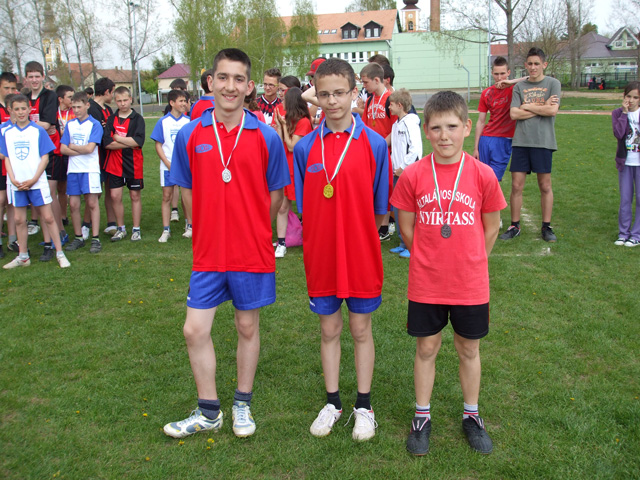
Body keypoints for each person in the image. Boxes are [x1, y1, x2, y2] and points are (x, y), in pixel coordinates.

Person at [163, 48, 289, 440]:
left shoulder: (266, 136)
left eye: (238, 79)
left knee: (246, 325)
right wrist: (204, 227)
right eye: (223, 77)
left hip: (250, 250)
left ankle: (242, 403)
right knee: (194, 330)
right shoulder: (191, 133)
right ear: (210, 82)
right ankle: (208, 412)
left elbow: (275, 195)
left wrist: (253, 228)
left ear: (249, 86)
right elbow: (185, 188)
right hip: (208, 252)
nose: (230, 86)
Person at [391, 91, 506, 456]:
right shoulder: (413, 175)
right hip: (427, 280)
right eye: (437, 128)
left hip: (470, 282)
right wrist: (428, 257)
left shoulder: (482, 174)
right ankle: (421, 416)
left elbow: (492, 226)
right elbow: (405, 225)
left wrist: (473, 260)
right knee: (426, 347)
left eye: (452, 127)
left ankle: (471, 415)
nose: (444, 136)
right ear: (426, 130)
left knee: (468, 348)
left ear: (467, 127)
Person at [293, 58, 389, 441]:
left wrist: (360, 235)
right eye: (324, 94)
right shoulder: (305, 148)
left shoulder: (374, 143)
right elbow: (304, 205)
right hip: (322, 255)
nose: (332, 101)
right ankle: (332, 402)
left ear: (354, 93)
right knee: (329, 328)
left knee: (360, 328)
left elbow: (380, 209)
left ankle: (364, 406)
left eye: (339, 93)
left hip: (361, 253)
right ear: (316, 96)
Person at [1, 94, 71, 269]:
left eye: (23, 108)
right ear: (11, 111)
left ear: (29, 110)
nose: (20, 112)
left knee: (48, 217)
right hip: (17, 184)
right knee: (19, 219)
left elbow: (45, 158)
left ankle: (60, 253)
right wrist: (13, 178)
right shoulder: (7, 132)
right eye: (17, 109)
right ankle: (23, 256)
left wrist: (33, 179)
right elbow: (7, 157)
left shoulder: (38, 131)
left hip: (36, 183)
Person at [499, 47, 561, 243]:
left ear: (544, 64)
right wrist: (542, 106)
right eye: (530, 64)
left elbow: (552, 111)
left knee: (545, 185)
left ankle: (546, 226)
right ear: (526, 65)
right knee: (516, 185)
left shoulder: (553, 84)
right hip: (521, 141)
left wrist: (527, 106)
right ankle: (514, 226)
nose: (533, 67)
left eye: (537, 64)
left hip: (543, 142)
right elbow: (514, 114)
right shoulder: (520, 87)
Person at [24, 61, 66, 255]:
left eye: (37, 76)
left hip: (51, 151)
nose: (34, 80)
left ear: (42, 76)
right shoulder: (24, 98)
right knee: (40, 195)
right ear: (26, 78)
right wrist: (37, 125)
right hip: (31, 153)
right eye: (30, 76)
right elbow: (34, 125)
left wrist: (27, 125)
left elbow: (48, 124)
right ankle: (48, 236)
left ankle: (60, 230)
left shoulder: (49, 96)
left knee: (49, 193)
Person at [59, 92, 104, 254]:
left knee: (92, 203)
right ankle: (78, 237)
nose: (76, 110)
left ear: (87, 105)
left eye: (79, 106)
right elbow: (62, 149)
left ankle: (95, 238)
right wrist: (80, 149)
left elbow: (90, 149)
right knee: (73, 204)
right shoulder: (70, 125)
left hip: (90, 169)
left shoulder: (95, 124)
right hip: (73, 170)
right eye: (74, 107)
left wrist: (73, 147)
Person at [473, 57, 527, 183]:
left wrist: (511, 82)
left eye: (502, 73)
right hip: (486, 140)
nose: (499, 77)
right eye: (496, 74)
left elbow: (532, 78)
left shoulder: (515, 89)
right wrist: (476, 148)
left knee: (493, 180)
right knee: (482, 180)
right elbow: (481, 121)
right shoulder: (486, 93)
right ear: (492, 73)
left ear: (508, 73)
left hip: (504, 140)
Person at [273, 87, 313, 258]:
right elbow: (279, 140)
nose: (281, 102)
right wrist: (279, 126)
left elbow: (291, 146)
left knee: (306, 206)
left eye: (284, 99)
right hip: (285, 167)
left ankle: (311, 239)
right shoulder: (289, 120)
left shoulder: (303, 122)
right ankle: (281, 242)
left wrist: (283, 126)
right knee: (282, 206)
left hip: (298, 169)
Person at [103, 86, 145, 242]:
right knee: (115, 196)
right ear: (115, 101)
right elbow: (107, 143)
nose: (122, 103)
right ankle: (121, 228)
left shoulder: (137, 119)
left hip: (134, 164)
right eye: (119, 101)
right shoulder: (111, 119)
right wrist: (128, 142)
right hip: (114, 164)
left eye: (125, 100)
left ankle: (136, 229)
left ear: (131, 99)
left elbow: (138, 142)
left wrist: (118, 138)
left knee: (135, 196)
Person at [359, 62, 397, 241]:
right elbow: (365, 126)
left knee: (385, 189)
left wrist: (380, 146)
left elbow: (396, 128)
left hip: (386, 151)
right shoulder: (369, 100)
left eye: (365, 82)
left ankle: (384, 228)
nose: (363, 86)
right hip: (371, 152)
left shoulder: (391, 99)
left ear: (376, 80)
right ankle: (373, 225)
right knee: (371, 188)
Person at [150, 89, 190, 242]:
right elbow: (158, 145)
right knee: (167, 196)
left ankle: (189, 225)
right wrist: (167, 163)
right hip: (167, 166)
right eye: (181, 101)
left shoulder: (189, 122)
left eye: (185, 101)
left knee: (186, 196)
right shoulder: (163, 122)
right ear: (172, 103)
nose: (184, 104)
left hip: (185, 167)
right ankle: (166, 230)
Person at [386, 88, 422, 258]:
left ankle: (412, 244)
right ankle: (403, 242)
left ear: (400, 105)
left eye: (391, 104)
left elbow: (416, 149)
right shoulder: (396, 125)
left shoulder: (410, 123)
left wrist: (404, 167)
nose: (389, 107)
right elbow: (396, 150)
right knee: (398, 207)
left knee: (408, 208)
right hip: (397, 173)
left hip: (407, 173)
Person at [612, 81, 640, 247]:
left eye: (635, 97)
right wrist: (624, 113)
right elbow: (619, 133)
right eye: (628, 96)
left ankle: (636, 234)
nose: (631, 100)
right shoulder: (617, 113)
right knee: (625, 199)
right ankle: (623, 233)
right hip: (625, 162)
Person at [88, 77, 117, 236]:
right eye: (112, 92)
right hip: (95, 157)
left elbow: (110, 130)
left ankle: (111, 223)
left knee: (109, 189)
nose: (113, 96)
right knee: (94, 193)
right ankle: (86, 224)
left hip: (109, 155)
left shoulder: (108, 109)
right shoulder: (91, 108)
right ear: (106, 92)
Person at [0, 73, 18, 257]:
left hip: (15, 167)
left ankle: (13, 240)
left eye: (13, 88)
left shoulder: (18, 112)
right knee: (1, 201)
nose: (10, 91)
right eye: (7, 88)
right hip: (2, 165)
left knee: (12, 202)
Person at [55, 84, 76, 227]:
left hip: (71, 153)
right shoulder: (53, 113)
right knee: (57, 187)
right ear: (60, 99)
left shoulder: (75, 112)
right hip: (56, 153)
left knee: (65, 188)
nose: (72, 100)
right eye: (69, 97)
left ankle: (63, 215)